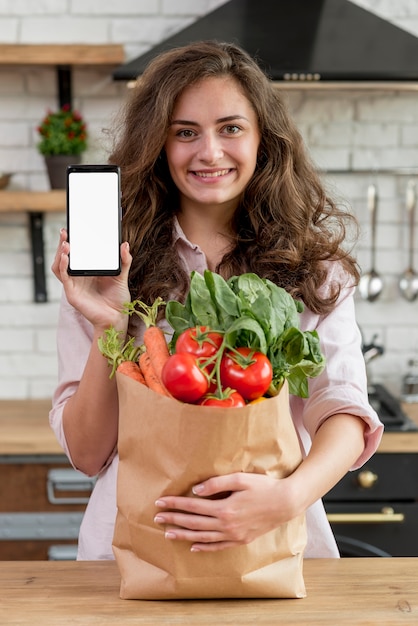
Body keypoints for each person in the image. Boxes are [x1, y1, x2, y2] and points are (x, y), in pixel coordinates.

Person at [50, 40, 383, 560]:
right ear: (158, 145)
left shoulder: (316, 270)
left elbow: (338, 404)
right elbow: (90, 453)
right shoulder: (108, 271)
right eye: (185, 133)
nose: (209, 152)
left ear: (263, 140)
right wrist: (107, 327)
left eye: (230, 128)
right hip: (134, 553)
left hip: (271, 545)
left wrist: (285, 498)